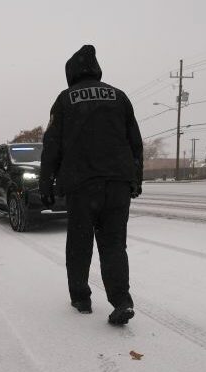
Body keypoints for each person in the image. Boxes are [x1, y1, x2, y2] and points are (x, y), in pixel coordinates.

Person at [40, 44, 144, 325]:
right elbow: (135, 142)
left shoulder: (65, 100)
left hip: (81, 185)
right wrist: (136, 179)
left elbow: (51, 146)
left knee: (79, 244)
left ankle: (81, 298)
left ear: (71, 72)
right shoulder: (119, 97)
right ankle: (121, 301)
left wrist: (46, 184)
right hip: (118, 184)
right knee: (113, 245)